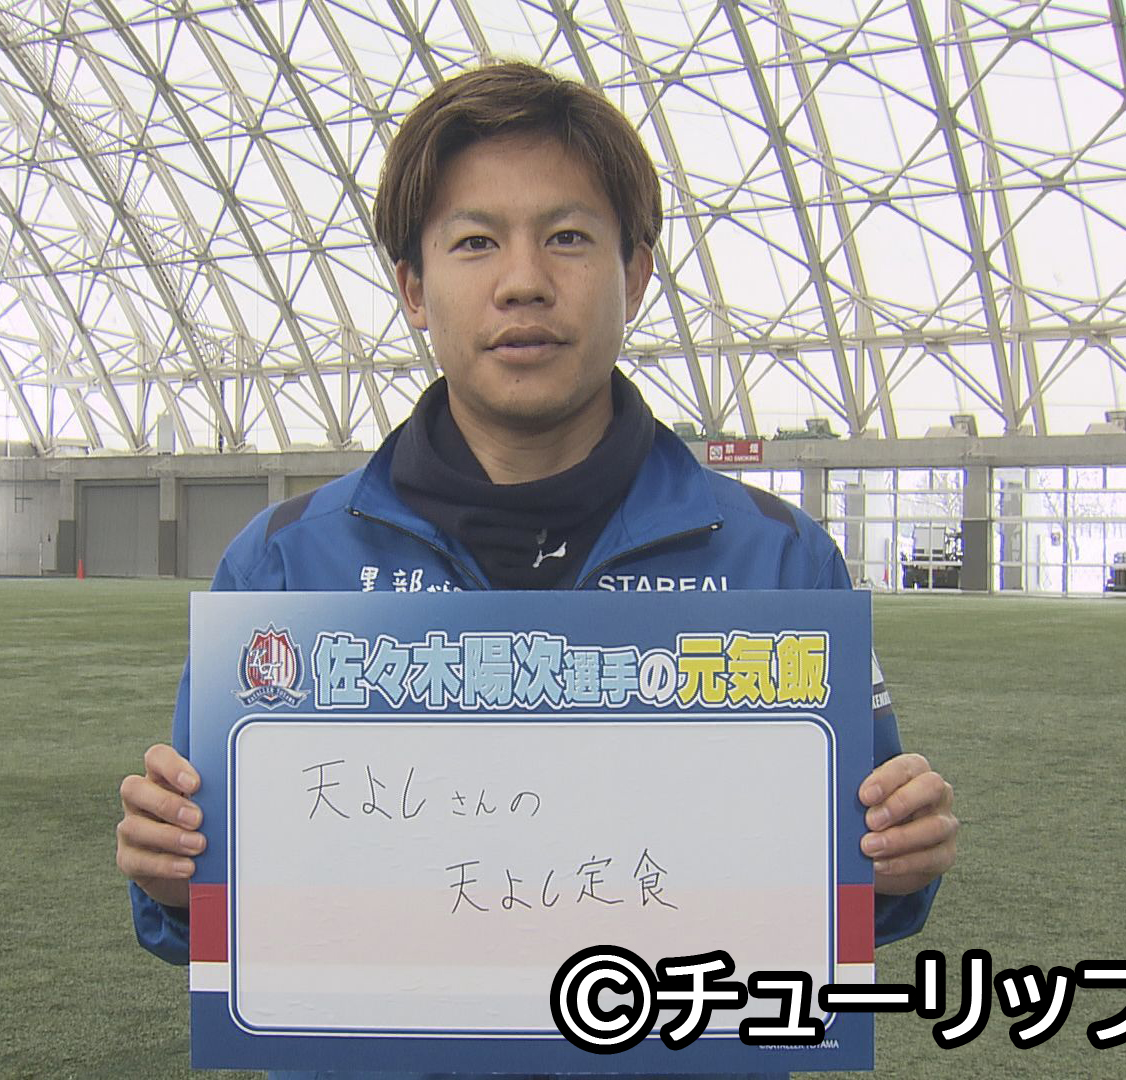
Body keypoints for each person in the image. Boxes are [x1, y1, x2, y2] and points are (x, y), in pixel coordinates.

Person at [114, 62, 957, 1078]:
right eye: (475, 242)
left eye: (567, 237)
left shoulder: (780, 559)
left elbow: (852, 895)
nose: (523, 281)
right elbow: (214, 915)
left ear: (635, 275)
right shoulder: (285, 564)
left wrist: (896, 859)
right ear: (414, 289)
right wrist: (177, 874)